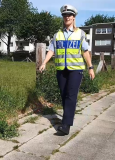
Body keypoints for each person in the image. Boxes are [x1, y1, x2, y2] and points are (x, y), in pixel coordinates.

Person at [39, 4, 95, 135]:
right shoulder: (57, 35)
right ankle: (66, 118)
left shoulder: (80, 33)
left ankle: (66, 125)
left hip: (76, 70)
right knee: (64, 95)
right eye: (64, 15)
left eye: (69, 15)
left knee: (71, 95)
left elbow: (85, 51)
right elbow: (51, 50)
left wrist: (90, 67)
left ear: (74, 17)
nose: (67, 17)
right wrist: (44, 63)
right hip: (61, 70)